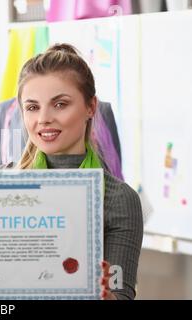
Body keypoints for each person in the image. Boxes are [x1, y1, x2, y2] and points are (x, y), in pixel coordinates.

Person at [15, 43, 143, 300]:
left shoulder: (118, 199)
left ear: (90, 107)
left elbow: (120, 292)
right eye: (32, 107)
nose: (43, 118)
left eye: (60, 104)